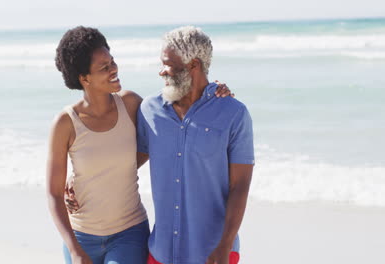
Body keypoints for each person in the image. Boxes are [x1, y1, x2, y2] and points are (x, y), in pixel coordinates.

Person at [46, 26, 232, 264]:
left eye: (112, 61)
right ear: (84, 78)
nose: (113, 69)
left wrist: (212, 91)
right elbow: (53, 194)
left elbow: (170, 118)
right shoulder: (65, 123)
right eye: (104, 67)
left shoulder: (131, 104)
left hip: (129, 232)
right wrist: (74, 250)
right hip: (82, 236)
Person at [136, 26, 254, 264]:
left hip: (214, 253)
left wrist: (225, 245)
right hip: (161, 252)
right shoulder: (149, 110)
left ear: (194, 65)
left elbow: (240, 186)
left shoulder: (234, 113)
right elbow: (125, 164)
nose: (161, 72)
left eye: (168, 64)